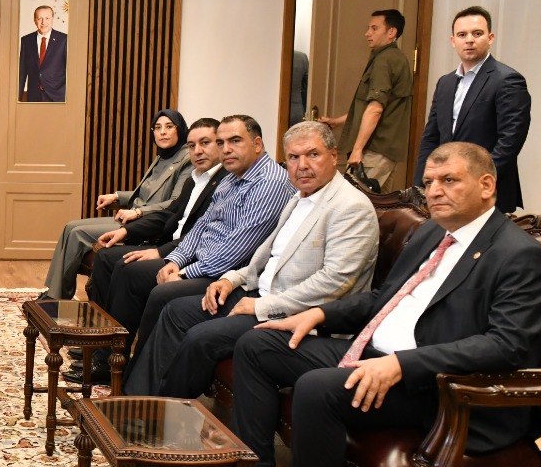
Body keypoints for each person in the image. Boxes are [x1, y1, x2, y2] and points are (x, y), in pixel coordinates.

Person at [216, 143, 541, 467]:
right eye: (429, 182)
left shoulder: (517, 254)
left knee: (318, 388)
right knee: (259, 344)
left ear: (487, 185)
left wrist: (401, 365)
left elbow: (508, 346)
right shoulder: (432, 233)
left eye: (449, 180)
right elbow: (382, 299)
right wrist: (318, 314)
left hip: (435, 386)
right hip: (373, 353)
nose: (435, 191)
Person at [124, 121, 379, 399]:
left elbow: (335, 282)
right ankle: (136, 400)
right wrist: (230, 279)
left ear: (333, 155)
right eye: (293, 157)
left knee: (200, 337)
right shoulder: (299, 197)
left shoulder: (350, 206)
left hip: (296, 314)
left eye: (313, 154)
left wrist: (260, 305)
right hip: (258, 292)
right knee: (175, 311)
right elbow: (268, 257)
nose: (302, 165)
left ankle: (164, 413)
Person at [96, 115, 294, 348]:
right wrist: (176, 260)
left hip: (227, 272)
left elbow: (236, 249)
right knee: (126, 269)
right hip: (199, 260)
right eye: (221, 143)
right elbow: (201, 224)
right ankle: (109, 353)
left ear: (257, 144)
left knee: (160, 291)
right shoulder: (229, 179)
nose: (226, 149)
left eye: (234, 141)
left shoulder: (269, 182)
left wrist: (183, 272)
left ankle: (128, 360)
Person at [43, 109, 191, 299]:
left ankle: (56, 298)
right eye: (157, 127)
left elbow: (175, 203)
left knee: (77, 233)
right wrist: (117, 196)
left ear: (180, 130)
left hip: (147, 223)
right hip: (132, 215)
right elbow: (146, 193)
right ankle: (54, 292)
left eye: (169, 127)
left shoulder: (186, 159)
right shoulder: (163, 156)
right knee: (70, 226)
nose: (162, 132)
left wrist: (139, 212)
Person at [87, 118, 225, 316]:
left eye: (205, 143)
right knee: (105, 257)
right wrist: (126, 231)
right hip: (168, 244)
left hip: (189, 255)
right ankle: (99, 324)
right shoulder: (194, 179)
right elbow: (168, 214)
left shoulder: (224, 182)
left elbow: (202, 234)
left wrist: (160, 252)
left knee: (127, 268)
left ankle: (118, 334)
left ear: (220, 144)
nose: (197, 151)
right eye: (192, 145)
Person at [415, 5, 531, 211]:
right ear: (453, 41)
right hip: (444, 190)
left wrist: (475, 181)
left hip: (486, 191)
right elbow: (431, 138)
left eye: (477, 33)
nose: (469, 40)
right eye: (462, 35)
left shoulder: (507, 80)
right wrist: (422, 184)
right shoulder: (445, 83)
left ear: (490, 38)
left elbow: (510, 140)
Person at [319, 9, 413, 192]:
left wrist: (357, 149)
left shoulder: (385, 60)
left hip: (374, 149)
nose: (367, 33)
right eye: (368, 28)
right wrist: (337, 121)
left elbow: (375, 108)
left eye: (374, 28)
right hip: (384, 150)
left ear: (391, 32)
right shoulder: (393, 57)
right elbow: (370, 106)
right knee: (379, 204)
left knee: (352, 200)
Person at [19, 3, 68, 102]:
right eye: (39, 18)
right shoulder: (26, 40)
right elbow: (22, 72)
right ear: (34, 20)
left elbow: (70, 71)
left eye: (47, 18)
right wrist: (18, 99)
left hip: (57, 98)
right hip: (34, 97)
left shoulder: (64, 40)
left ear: (52, 19)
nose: (43, 22)